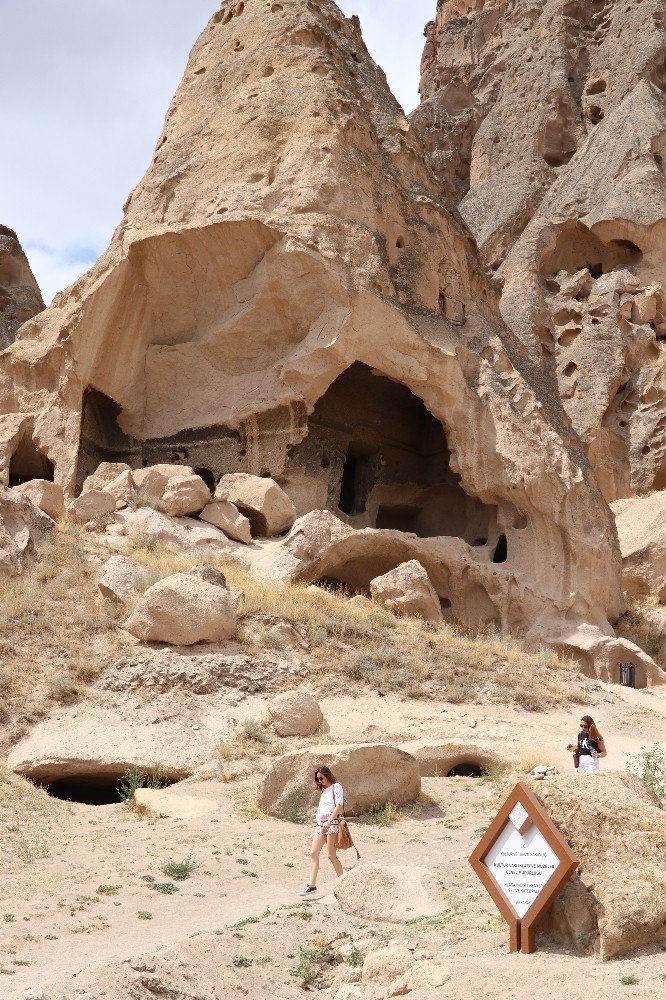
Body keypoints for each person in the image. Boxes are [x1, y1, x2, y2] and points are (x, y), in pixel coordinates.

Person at [300, 765, 344, 897]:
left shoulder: (336, 787)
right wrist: (320, 822)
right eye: (317, 779)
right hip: (321, 824)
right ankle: (312, 885)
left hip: (331, 822)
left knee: (331, 855)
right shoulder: (324, 791)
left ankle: (343, 881)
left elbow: (339, 806)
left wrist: (330, 821)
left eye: (321, 778)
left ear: (327, 775)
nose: (319, 781)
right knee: (314, 853)